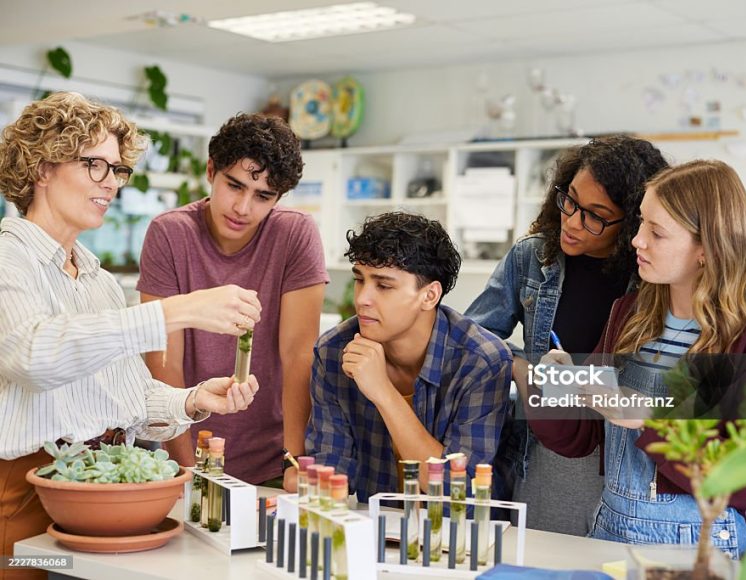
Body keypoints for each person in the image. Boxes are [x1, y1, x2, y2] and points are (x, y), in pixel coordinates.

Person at [0, 92, 260, 580]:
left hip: (104, 490)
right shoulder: (7, 258)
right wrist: (174, 312)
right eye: (94, 165)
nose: (111, 184)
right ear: (42, 168)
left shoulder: (97, 280)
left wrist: (194, 399)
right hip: (27, 496)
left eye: (117, 170)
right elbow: (33, 355)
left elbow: (128, 400)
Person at [529, 160, 746, 557]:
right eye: (641, 223)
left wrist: (651, 419)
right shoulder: (628, 311)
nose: (637, 240)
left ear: (707, 249)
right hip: (608, 526)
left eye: (656, 232)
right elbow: (578, 438)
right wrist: (557, 385)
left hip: (701, 543)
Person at [464, 136, 668, 534]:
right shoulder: (533, 257)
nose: (572, 222)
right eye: (569, 200)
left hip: (621, 460)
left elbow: (652, 385)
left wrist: (561, 379)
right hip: (545, 452)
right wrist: (521, 367)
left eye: (595, 215)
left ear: (632, 224)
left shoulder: (651, 277)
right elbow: (477, 336)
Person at [137, 113, 328, 486]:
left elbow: (298, 356)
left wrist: (294, 461)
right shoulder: (170, 233)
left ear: (280, 197)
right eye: (235, 185)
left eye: (263, 196)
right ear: (211, 170)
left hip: (273, 460)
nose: (243, 207)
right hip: (186, 456)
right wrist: (190, 470)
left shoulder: (295, 234)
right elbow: (164, 362)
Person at [286, 212, 512, 499]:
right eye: (360, 280)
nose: (362, 298)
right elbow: (331, 476)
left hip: (460, 538)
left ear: (429, 296)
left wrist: (383, 393)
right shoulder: (334, 351)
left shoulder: (482, 361)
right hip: (374, 529)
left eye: (383, 285)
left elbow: (458, 494)